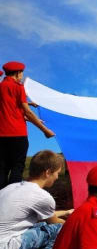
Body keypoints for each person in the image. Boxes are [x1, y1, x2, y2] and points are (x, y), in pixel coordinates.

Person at [0, 150, 72, 249]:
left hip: (3, 246)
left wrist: (66, 212)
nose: (57, 177)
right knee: (59, 230)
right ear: (48, 172)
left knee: (41, 225)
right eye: (57, 173)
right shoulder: (42, 196)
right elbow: (55, 222)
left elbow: (46, 216)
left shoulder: (10, 188)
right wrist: (76, 224)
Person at [0, 61, 55, 190]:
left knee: (2, 168)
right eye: (21, 73)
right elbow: (27, 113)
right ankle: (12, 198)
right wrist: (45, 130)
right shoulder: (18, 87)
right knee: (17, 167)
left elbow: (10, 110)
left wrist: (30, 107)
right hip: (17, 134)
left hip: (1, 136)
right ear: (18, 73)